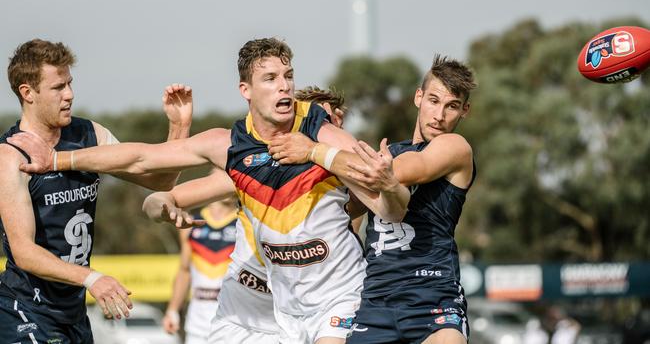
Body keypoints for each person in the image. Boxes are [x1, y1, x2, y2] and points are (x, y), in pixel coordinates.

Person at [9, 38, 411, 344]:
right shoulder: (232, 148)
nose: (284, 87)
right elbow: (148, 165)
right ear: (246, 90)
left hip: (332, 299)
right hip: (266, 306)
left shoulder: (325, 138)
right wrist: (60, 162)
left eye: (288, 77)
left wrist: (355, 168)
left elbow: (392, 209)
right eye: (271, 79)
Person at [268, 54, 477, 344]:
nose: (439, 115)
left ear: (464, 111)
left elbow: (398, 171)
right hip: (375, 302)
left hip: (433, 299)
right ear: (419, 97)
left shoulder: (454, 147)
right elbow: (347, 217)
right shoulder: (386, 151)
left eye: (451, 106)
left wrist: (314, 149)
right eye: (433, 100)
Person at [0, 39, 193, 343]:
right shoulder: (11, 156)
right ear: (28, 93)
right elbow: (24, 253)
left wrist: (179, 129)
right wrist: (92, 279)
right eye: (58, 87)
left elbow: (159, 180)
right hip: (25, 310)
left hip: (73, 313)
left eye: (70, 83)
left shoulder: (90, 134)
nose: (70, 95)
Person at [145, 85, 352, 344]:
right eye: (307, 123)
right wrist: (164, 207)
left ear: (337, 121)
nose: (312, 132)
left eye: (323, 123)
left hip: (311, 311)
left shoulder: (349, 176)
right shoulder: (256, 172)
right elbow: (164, 195)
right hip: (249, 311)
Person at [160, 196, 239, 344]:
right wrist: (172, 310)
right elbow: (184, 270)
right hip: (197, 324)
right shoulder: (191, 223)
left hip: (234, 323)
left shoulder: (245, 222)